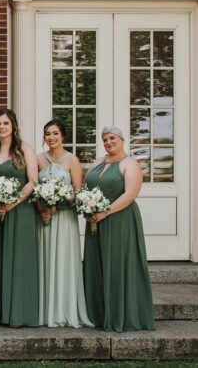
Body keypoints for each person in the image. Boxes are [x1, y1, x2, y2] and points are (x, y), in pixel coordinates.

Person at [83, 125, 155, 332]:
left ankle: (121, 315)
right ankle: (98, 314)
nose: (108, 142)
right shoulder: (98, 162)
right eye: (105, 139)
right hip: (95, 220)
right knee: (97, 265)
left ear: (122, 140)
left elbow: (130, 194)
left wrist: (105, 211)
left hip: (119, 219)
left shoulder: (130, 163)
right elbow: (87, 188)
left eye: (112, 138)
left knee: (117, 264)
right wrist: (87, 207)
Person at [0, 108, 40, 327]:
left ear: (13, 125)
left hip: (19, 211)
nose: (2, 127)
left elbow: (33, 181)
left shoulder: (25, 149)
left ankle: (18, 313)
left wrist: (12, 203)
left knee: (18, 259)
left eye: (5, 123)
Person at [36, 119, 93, 328]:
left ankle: (63, 310)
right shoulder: (38, 160)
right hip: (44, 220)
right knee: (45, 261)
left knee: (63, 262)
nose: (51, 137)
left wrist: (58, 203)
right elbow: (34, 190)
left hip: (64, 220)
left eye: (55, 133)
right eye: (47, 134)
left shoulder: (72, 160)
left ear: (63, 136)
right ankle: (44, 311)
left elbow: (77, 192)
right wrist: (42, 210)